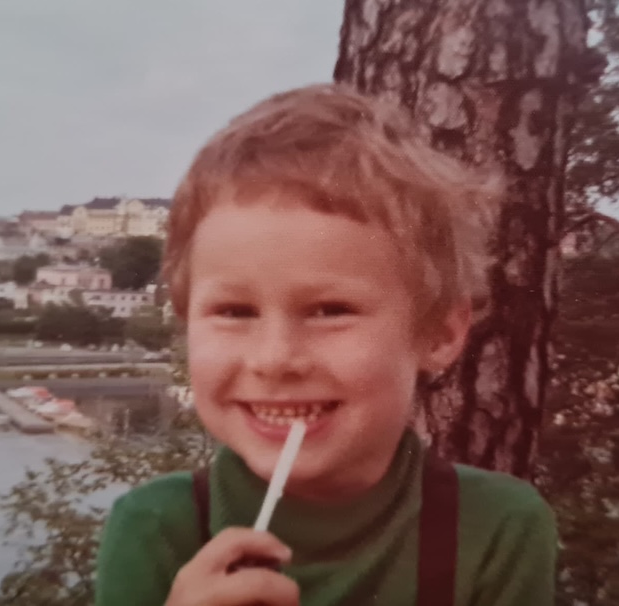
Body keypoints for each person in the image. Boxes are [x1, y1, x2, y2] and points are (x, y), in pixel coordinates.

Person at [95, 84, 558, 606]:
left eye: (330, 311)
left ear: (440, 334)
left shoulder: (495, 529)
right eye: (234, 312)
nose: (274, 359)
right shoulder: (156, 529)